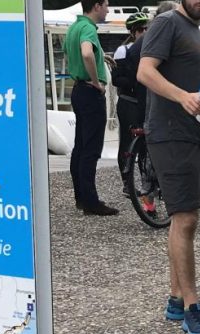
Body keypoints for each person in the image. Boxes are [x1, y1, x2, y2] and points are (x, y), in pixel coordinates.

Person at [137, 0, 200, 334]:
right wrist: (181, 97)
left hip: (193, 133)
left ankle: (176, 298)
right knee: (184, 217)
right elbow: (145, 71)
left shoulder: (193, 28)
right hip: (170, 133)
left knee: (185, 218)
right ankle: (192, 306)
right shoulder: (167, 22)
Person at [63, 0, 119, 216]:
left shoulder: (74, 27)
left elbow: (78, 53)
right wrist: (96, 81)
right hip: (89, 91)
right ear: (96, 6)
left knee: (80, 146)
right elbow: (86, 53)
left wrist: (100, 56)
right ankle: (91, 202)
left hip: (77, 91)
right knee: (91, 149)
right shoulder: (88, 28)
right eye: (105, 5)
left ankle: (81, 197)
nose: (107, 9)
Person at [112, 13, 150, 194]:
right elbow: (116, 79)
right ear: (134, 32)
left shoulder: (151, 48)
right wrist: (135, 81)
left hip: (144, 102)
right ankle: (127, 183)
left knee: (145, 145)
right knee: (127, 143)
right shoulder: (123, 51)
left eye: (147, 28)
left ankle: (146, 182)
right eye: (142, 29)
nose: (145, 32)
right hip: (128, 102)